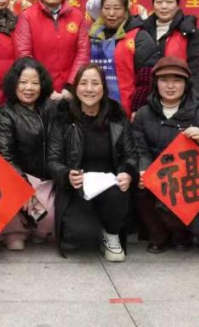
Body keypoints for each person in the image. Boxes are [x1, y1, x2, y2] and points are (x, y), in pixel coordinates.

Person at [48, 64, 138, 262]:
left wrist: (128, 173)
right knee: (80, 237)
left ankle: (111, 235)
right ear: (76, 87)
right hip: (78, 186)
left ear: (104, 88)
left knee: (116, 197)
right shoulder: (64, 116)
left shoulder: (116, 116)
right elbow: (53, 159)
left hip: (111, 185)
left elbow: (131, 154)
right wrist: (66, 174)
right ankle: (95, 224)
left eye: (95, 83)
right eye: (83, 83)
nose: (89, 89)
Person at [132, 56, 199, 253]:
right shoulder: (144, 114)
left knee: (168, 202)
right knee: (138, 183)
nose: (170, 86)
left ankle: (182, 234)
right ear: (156, 83)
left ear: (186, 84)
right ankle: (158, 235)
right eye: (164, 80)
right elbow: (139, 148)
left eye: (177, 80)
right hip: (156, 174)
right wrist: (144, 170)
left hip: (186, 180)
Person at [0, 57, 59, 251]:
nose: (29, 88)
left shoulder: (51, 108)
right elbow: (5, 155)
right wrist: (23, 186)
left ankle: (38, 229)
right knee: (19, 224)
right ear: (14, 84)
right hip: (18, 177)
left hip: (47, 177)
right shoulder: (6, 114)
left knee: (49, 217)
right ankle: (14, 232)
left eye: (34, 83)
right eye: (23, 82)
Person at [88, 0, 160, 117]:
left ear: (126, 11)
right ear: (100, 11)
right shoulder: (93, 36)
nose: (111, 13)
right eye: (107, 8)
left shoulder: (140, 37)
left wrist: (137, 109)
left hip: (126, 112)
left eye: (117, 8)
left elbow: (146, 80)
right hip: (93, 110)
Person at [15, 0, 89, 93]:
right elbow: (24, 55)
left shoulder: (77, 16)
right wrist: (44, 87)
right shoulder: (27, 16)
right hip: (38, 90)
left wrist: (70, 86)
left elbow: (83, 52)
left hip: (70, 90)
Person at [141, 0, 199, 103]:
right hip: (149, 101)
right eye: (159, 2)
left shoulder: (189, 32)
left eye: (169, 2)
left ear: (178, 5)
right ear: (153, 5)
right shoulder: (143, 31)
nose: (164, 6)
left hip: (182, 99)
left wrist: (193, 102)